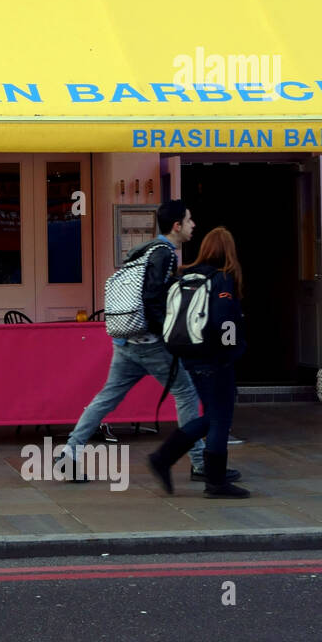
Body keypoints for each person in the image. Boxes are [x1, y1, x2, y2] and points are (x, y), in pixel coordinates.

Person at [61, 200, 231, 482]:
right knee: (186, 394)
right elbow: (152, 299)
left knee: (106, 399)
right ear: (177, 226)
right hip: (150, 342)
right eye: (189, 220)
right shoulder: (165, 254)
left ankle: (69, 453)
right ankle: (200, 463)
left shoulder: (144, 250)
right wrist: (169, 335)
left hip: (126, 341)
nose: (193, 225)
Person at [147, 227, 250, 498]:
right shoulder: (222, 279)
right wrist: (230, 353)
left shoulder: (185, 275)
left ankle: (166, 458)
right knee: (220, 419)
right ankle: (214, 481)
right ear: (229, 251)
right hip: (215, 360)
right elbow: (223, 321)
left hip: (189, 355)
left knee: (212, 416)